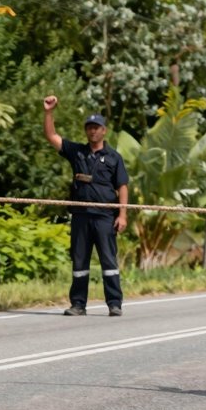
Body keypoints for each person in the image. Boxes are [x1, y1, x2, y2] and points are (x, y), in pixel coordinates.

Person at [42, 95, 129, 317]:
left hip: (104, 217)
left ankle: (114, 303)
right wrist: (49, 112)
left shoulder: (114, 157)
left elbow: (122, 186)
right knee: (79, 262)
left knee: (109, 262)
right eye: (89, 128)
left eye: (96, 128)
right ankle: (78, 304)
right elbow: (51, 136)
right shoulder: (77, 152)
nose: (92, 131)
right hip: (81, 216)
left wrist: (122, 215)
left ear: (104, 131)